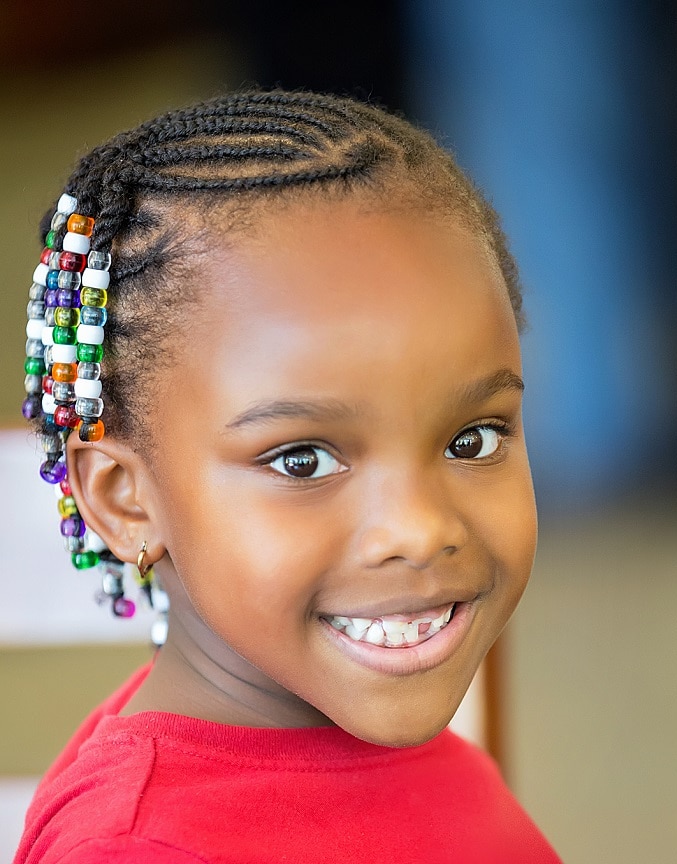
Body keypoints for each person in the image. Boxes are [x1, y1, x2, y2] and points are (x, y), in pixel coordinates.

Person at [14, 90, 560, 863]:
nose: (421, 527)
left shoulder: (404, 745)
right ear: (123, 499)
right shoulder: (144, 849)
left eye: (472, 440)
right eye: (302, 460)